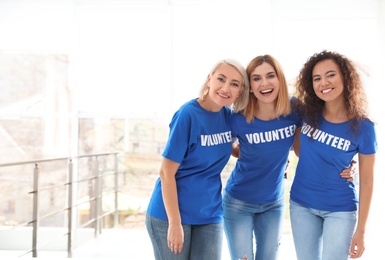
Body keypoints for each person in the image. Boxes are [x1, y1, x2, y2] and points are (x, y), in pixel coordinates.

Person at [223, 54, 356, 260]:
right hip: (238, 202)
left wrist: (348, 161)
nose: (264, 83)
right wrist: (248, 153)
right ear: (249, 86)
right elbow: (225, 146)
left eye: (270, 76)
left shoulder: (295, 109)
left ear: (280, 80)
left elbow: (311, 145)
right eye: (256, 78)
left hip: (273, 202)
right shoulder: (238, 118)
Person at [145, 59, 250, 260]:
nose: (226, 88)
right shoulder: (188, 115)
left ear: (240, 91)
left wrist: (269, 155)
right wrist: (174, 224)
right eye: (221, 79)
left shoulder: (227, 117)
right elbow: (166, 172)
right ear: (209, 79)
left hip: (209, 213)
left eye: (234, 84)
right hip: (171, 215)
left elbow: (234, 148)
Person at [289, 50, 377, 260]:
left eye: (331, 75)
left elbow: (366, 182)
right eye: (316, 78)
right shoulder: (306, 112)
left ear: (345, 77)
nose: (323, 82)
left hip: (340, 209)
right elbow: (300, 150)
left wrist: (361, 232)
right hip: (301, 204)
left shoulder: (364, 127)